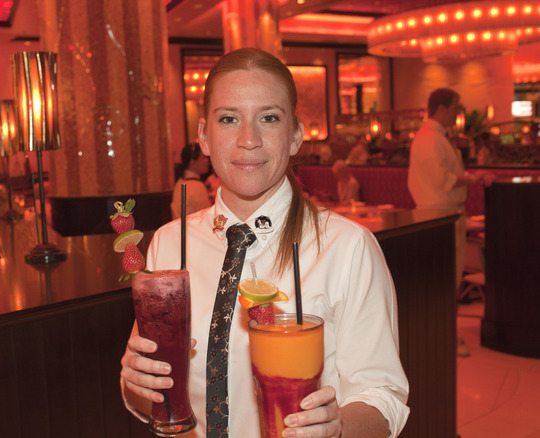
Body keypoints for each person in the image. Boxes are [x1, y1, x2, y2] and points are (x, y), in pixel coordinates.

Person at [121, 48, 409, 438]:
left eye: (269, 118)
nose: (249, 139)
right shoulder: (170, 245)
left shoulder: (348, 247)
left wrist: (337, 427)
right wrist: (135, 384)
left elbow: (383, 397)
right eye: (228, 119)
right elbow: (149, 396)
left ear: (295, 135)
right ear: (204, 136)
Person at [407, 88, 493, 289]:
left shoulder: (436, 136)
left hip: (444, 212)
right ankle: (445, 318)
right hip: (438, 213)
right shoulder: (430, 138)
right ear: (441, 109)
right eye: (455, 108)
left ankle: (448, 317)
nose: (458, 113)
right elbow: (442, 179)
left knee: (448, 271)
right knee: (444, 273)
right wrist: (472, 179)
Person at [171, 143, 213, 219]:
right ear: (192, 162)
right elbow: (206, 218)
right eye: (203, 157)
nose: (207, 160)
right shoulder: (197, 186)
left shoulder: (180, 182)